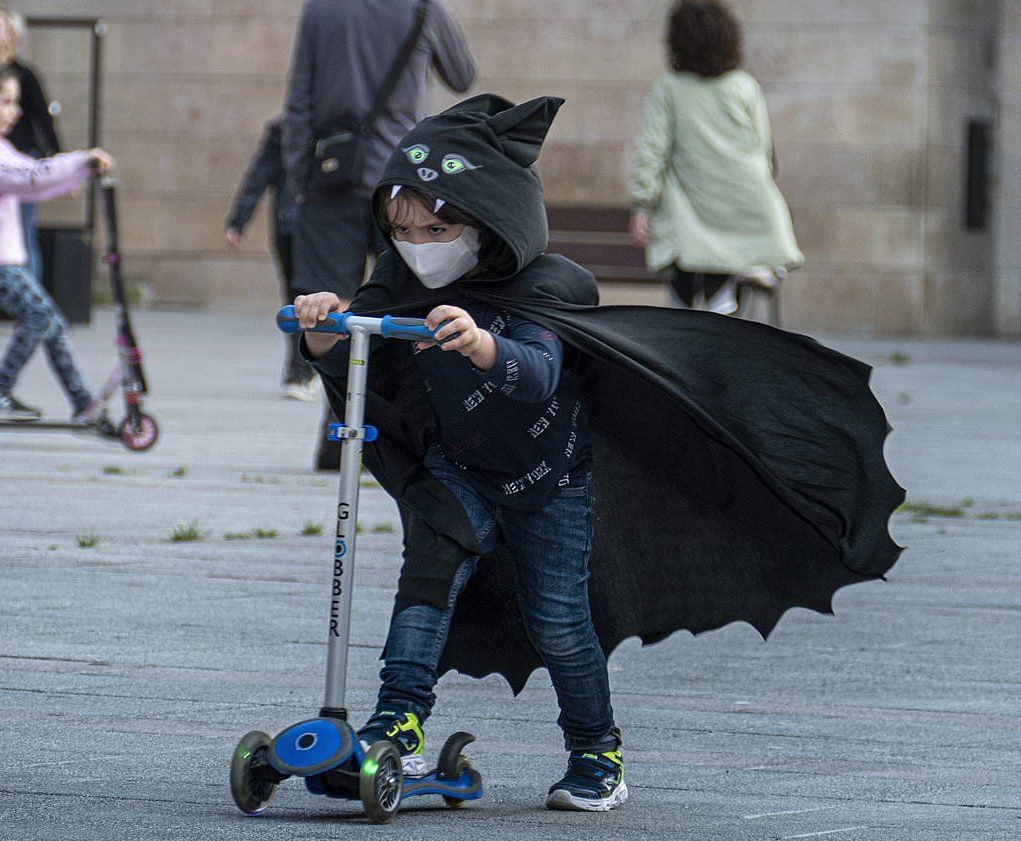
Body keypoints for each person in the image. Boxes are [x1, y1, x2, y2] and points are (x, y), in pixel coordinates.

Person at [291, 95, 903, 813]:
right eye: (402, 230)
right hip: (455, 468)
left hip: (547, 476)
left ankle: (595, 747)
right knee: (426, 577)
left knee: (558, 620)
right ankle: (398, 718)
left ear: (489, 219)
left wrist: (482, 344)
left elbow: (541, 374)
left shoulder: (545, 284)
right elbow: (357, 364)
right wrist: (323, 332)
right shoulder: (396, 277)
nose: (419, 243)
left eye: (437, 226)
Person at [282, 0, 475, 467]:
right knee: (409, 303)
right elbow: (462, 74)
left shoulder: (321, 10)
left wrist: (298, 179)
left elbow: (299, 99)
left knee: (334, 307)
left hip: (332, 176)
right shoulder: (424, 8)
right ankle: (414, 435)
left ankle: (337, 437)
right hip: (403, 184)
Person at [0, 62, 112, 421]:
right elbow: (26, 178)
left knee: (50, 321)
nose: (15, 112)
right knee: (41, 317)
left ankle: (82, 402)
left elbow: (32, 178)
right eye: (7, 102)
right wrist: (81, 160)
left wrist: (76, 173)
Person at [628, 0, 802, 313]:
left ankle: (682, 343)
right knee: (722, 287)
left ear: (677, 42)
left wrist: (643, 204)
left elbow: (651, 152)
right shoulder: (744, 86)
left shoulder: (668, 89)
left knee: (684, 281)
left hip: (689, 215)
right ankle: (746, 281)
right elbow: (763, 150)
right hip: (742, 204)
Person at [224, 117, 309, 400]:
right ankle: (300, 369)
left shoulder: (287, 129)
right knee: (300, 296)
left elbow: (259, 175)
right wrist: (238, 219)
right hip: (299, 227)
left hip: (312, 228)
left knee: (304, 295)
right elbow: (259, 174)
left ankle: (303, 368)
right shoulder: (284, 131)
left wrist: (238, 220)